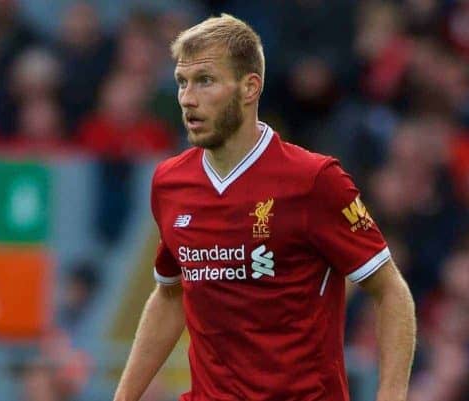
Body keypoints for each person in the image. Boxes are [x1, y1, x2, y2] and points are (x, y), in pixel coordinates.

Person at [113, 14, 416, 401]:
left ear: (249, 87)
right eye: (182, 83)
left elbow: (390, 291)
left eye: (205, 80)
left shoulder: (314, 180)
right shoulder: (170, 183)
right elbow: (170, 296)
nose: (188, 98)